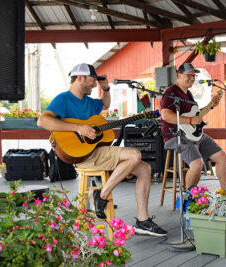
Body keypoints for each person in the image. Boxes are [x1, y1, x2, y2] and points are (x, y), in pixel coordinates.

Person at [37, 63, 167, 237]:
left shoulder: (88, 102)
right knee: (134, 154)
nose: (94, 84)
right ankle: (102, 195)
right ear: (80, 78)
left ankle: (143, 221)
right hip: (80, 154)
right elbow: (42, 121)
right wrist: (78, 128)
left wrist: (105, 88)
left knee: (145, 169)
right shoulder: (63, 99)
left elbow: (104, 105)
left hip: (96, 151)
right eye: (93, 80)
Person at [160, 62, 226, 190]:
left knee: (221, 155)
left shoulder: (188, 94)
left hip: (193, 133)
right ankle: (188, 197)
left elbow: (196, 115)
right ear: (179, 75)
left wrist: (211, 105)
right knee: (197, 164)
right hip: (174, 134)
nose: (192, 78)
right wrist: (191, 120)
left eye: (194, 76)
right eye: (189, 75)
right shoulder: (171, 92)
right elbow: (166, 115)